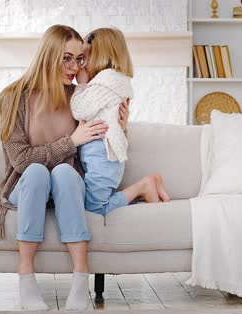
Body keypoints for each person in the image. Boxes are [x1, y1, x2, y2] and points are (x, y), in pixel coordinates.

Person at [0, 25, 169, 311]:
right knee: (38, 172)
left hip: (67, 186)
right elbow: (21, 160)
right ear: (48, 57)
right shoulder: (12, 97)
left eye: (79, 59)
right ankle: (26, 278)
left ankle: (80, 279)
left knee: (64, 172)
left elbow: (99, 145)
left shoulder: (80, 97)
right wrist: (70, 142)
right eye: (67, 58)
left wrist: (121, 128)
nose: (74, 66)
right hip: (26, 186)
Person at [71, 28, 170, 216]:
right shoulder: (114, 80)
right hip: (104, 157)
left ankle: (144, 185)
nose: (80, 66)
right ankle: (150, 187)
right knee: (100, 203)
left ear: (100, 55)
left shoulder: (105, 82)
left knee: (95, 209)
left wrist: (81, 85)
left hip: (101, 156)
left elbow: (79, 110)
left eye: (84, 58)